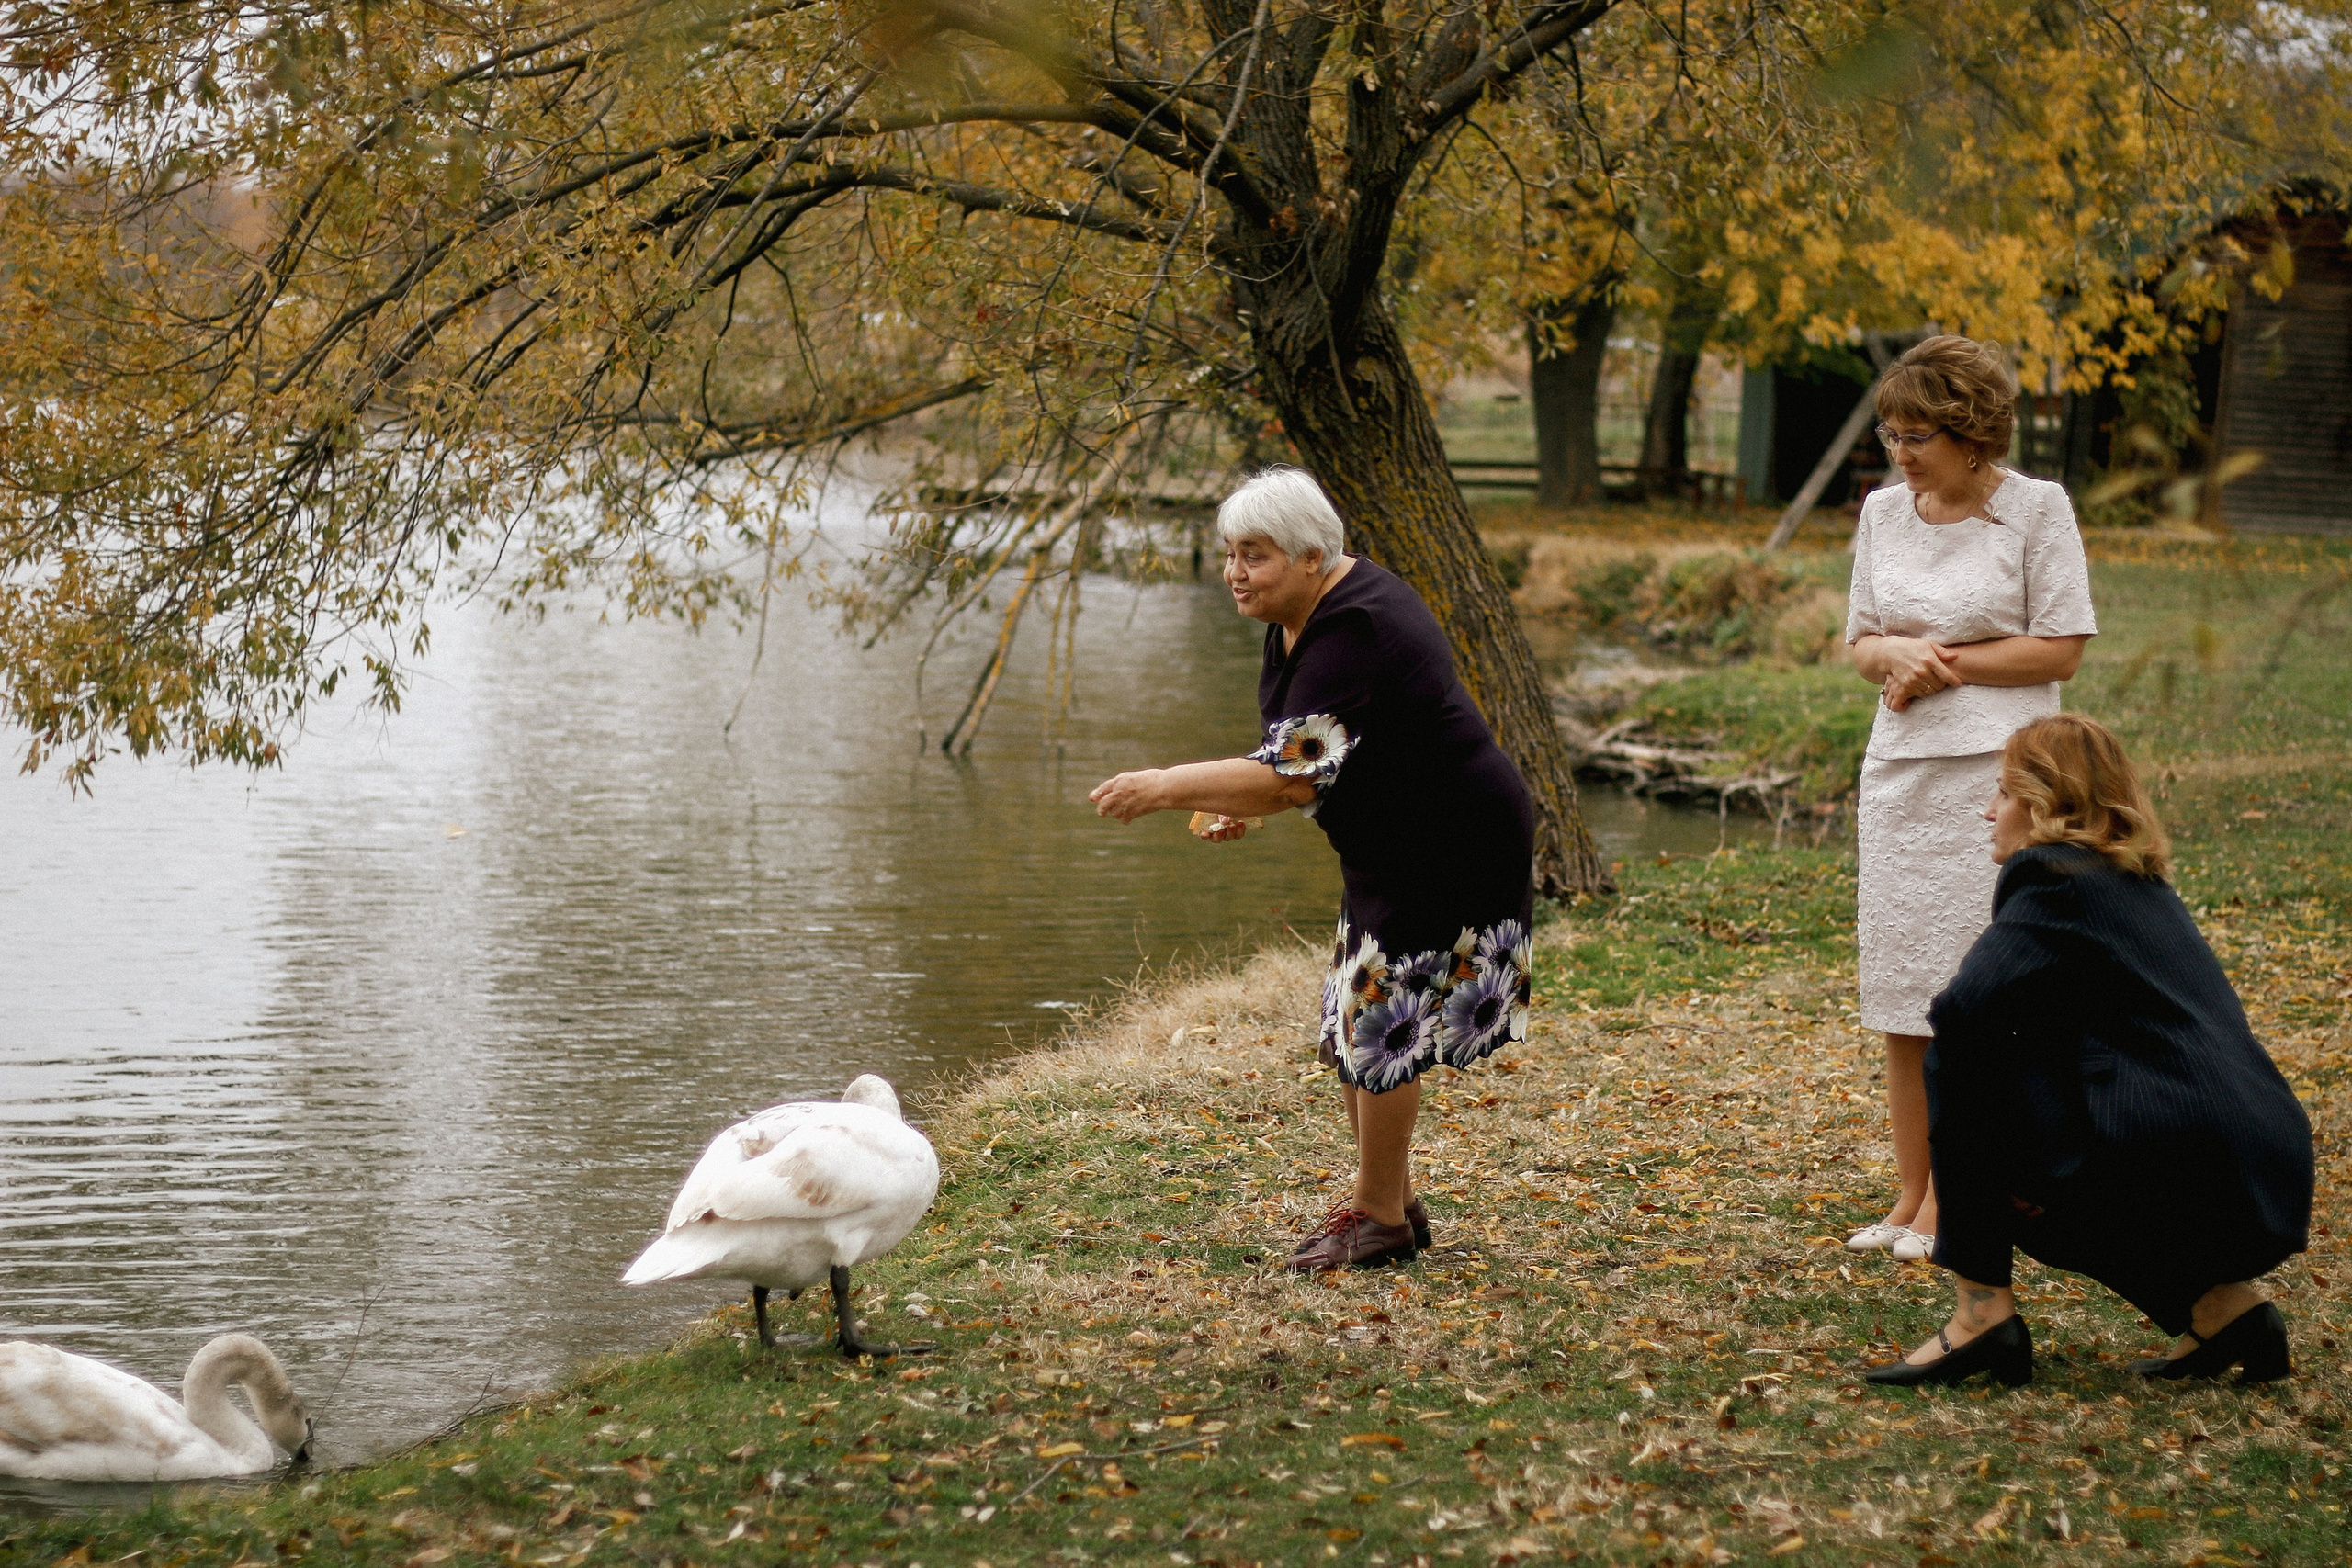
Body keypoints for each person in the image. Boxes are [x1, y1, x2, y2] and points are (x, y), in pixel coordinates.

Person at [1089, 467, 1535, 1271]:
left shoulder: (1358, 625)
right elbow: (1308, 750)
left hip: (1448, 839)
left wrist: (1166, 785)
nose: (1234, 572)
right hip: (1393, 842)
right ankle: (1390, 1200)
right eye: (1230, 552)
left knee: (1383, 1025)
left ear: (1309, 555)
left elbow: (1291, 776)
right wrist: (1241, 796)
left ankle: (1380, 1218)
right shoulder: (1301, 611)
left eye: (1254, 555)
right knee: (1354, 1017)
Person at [1863, 716, 2313, 1388]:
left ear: (2049, 803)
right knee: (2031, 1135)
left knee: (1966, 1068)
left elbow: (1961, 1013)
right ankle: (2225, 1312)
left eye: (2004, 794)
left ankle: (1980, 1316)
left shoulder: (2052, 875)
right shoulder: (2133, 879)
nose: (1988, 812)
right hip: (2261, 1166)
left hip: (2190, 1159)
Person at [1842, 335, 2097, 1265]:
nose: (1901, 453)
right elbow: (1862, 642)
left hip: (2000, 777)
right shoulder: (1881, 513)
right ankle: (1912, 1191)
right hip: (1899, 771)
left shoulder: (2037, 509)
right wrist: (1891, 654)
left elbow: (2060, 647)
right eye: (1891, 434)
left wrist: (1934, 662)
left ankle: (1962, 1194)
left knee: (1970, 992)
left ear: (1973, 434)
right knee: (1901, 990)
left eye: (1919, 436)